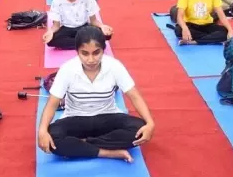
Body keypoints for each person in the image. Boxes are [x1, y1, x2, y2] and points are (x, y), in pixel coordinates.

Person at [38, 26, 154, 162]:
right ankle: (108, 152)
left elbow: (134, 96)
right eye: (85, 53)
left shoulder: (114, 66)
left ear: (103, 50)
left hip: (108, 116)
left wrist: (150, 123)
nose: (91, 59)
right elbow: (52, 103)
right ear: (77, 52)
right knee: (52, 137)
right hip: (76, 118)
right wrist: (42, 131)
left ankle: (80, 144)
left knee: (140, 128)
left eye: (96, 53)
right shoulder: (67, 69)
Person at [43, 0, 111, 49]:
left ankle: (77, 43)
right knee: (50, 40)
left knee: (106, 35)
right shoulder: (57, 0)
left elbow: (93, 21)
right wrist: (50, 32)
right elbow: (56, 25)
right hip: (66, 28)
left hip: (84, 27)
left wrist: (102, 26)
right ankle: (87, 43)